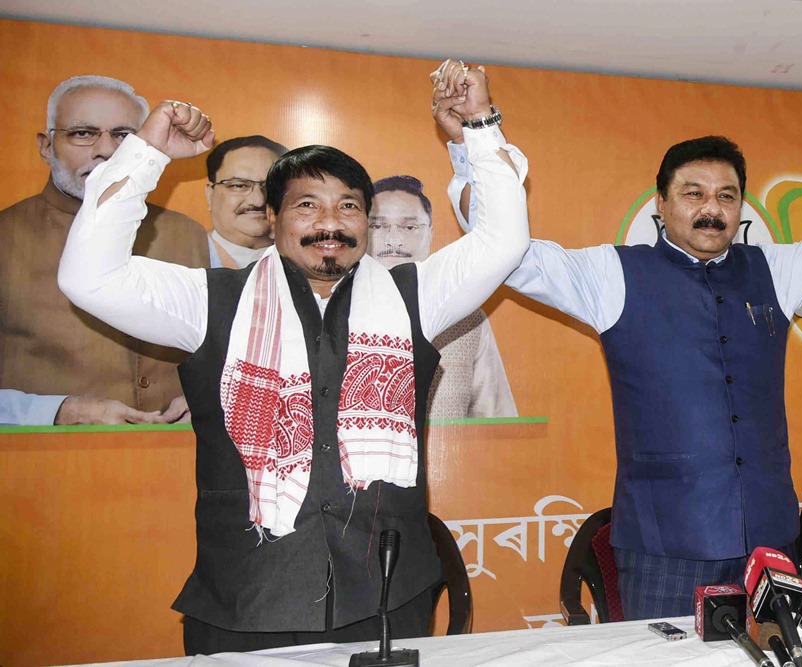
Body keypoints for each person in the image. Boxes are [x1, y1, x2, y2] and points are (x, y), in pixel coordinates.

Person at [58, 61, 529, 653]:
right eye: (307, 206)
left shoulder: (417, 296)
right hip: (248, 598)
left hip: (385, 598)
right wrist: (146, 152)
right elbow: (88, 277)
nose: (330, 223)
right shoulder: (207, 302)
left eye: (349, 206)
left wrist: (480, 128)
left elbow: (503, 240)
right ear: (273, 218)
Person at [436, 68, 802, 619]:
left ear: (741, 208)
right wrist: (474, 136)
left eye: (726, 196)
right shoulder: (613, 274)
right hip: (666, 549)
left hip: (772, 543)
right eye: (693, 194)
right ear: (661, 204)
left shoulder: (775, 270)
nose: (711, 209)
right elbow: (504, 248)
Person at [0, 75, 209, 425]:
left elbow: (232, 349)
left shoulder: (189, 233)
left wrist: (209, 392)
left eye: (124, 136)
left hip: (182, 459)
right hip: (44, 466)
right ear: (46, 146)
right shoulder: (6, 236)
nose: (107, 151)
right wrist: (55, 411)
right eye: (83, 133)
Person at [368, 174, 517, 418]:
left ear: (430, 234)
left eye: (409, 227)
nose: (393, 240)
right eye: (377, 226)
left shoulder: (468, 319)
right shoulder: (337, 309)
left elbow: (495, 421)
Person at [204, 135, 289, 268]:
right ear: (210, 194)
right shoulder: (179, 259)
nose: (258, 200)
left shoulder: (310, 262)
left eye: (270, 186)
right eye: (239, 185)